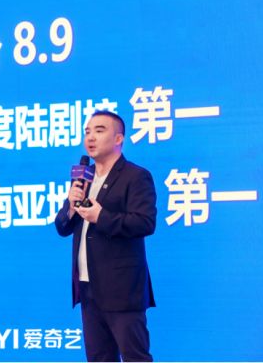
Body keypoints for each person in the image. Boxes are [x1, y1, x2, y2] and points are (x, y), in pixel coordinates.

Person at [55, 111, 157, 362]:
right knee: (99, 358)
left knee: (135, 358)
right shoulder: (84, 178)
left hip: (122, 288)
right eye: (87, 132)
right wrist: (70, 206)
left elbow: (144, 223)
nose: (90, 137)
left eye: (99, 131)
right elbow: (62, 227)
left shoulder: (135, 176)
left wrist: (101, 216)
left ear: (118, 138)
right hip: (88, 287)